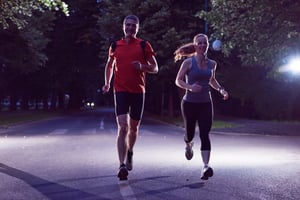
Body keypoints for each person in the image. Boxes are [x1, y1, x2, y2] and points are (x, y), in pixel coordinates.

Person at [102, 15, 158, 180]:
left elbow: (155, 68)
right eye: (128, 25)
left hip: (138, 91)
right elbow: (109, 65)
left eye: (134, 26)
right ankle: (121, 165)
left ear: (137, 28)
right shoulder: (115, 45)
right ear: (123, 26)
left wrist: (142, 66)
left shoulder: (143, 45)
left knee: (133, 129)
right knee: (123, 127)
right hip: (120, 90)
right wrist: (107, 82)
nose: (130, 28)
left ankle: (130, 151)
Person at [174, 33, 229, 180]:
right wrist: (190, 87)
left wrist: (221, 89)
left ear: (208, 45)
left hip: (206, 103)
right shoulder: (188, 63)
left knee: (205, 134)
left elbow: (212, 80)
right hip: (189, 103)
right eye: (200, 43)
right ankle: (188, 145)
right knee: (190, 133)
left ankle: (205, 167)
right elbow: (178, 81)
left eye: (205, 43)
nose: (202, 45)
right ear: (195, 45)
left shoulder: (212, 64)